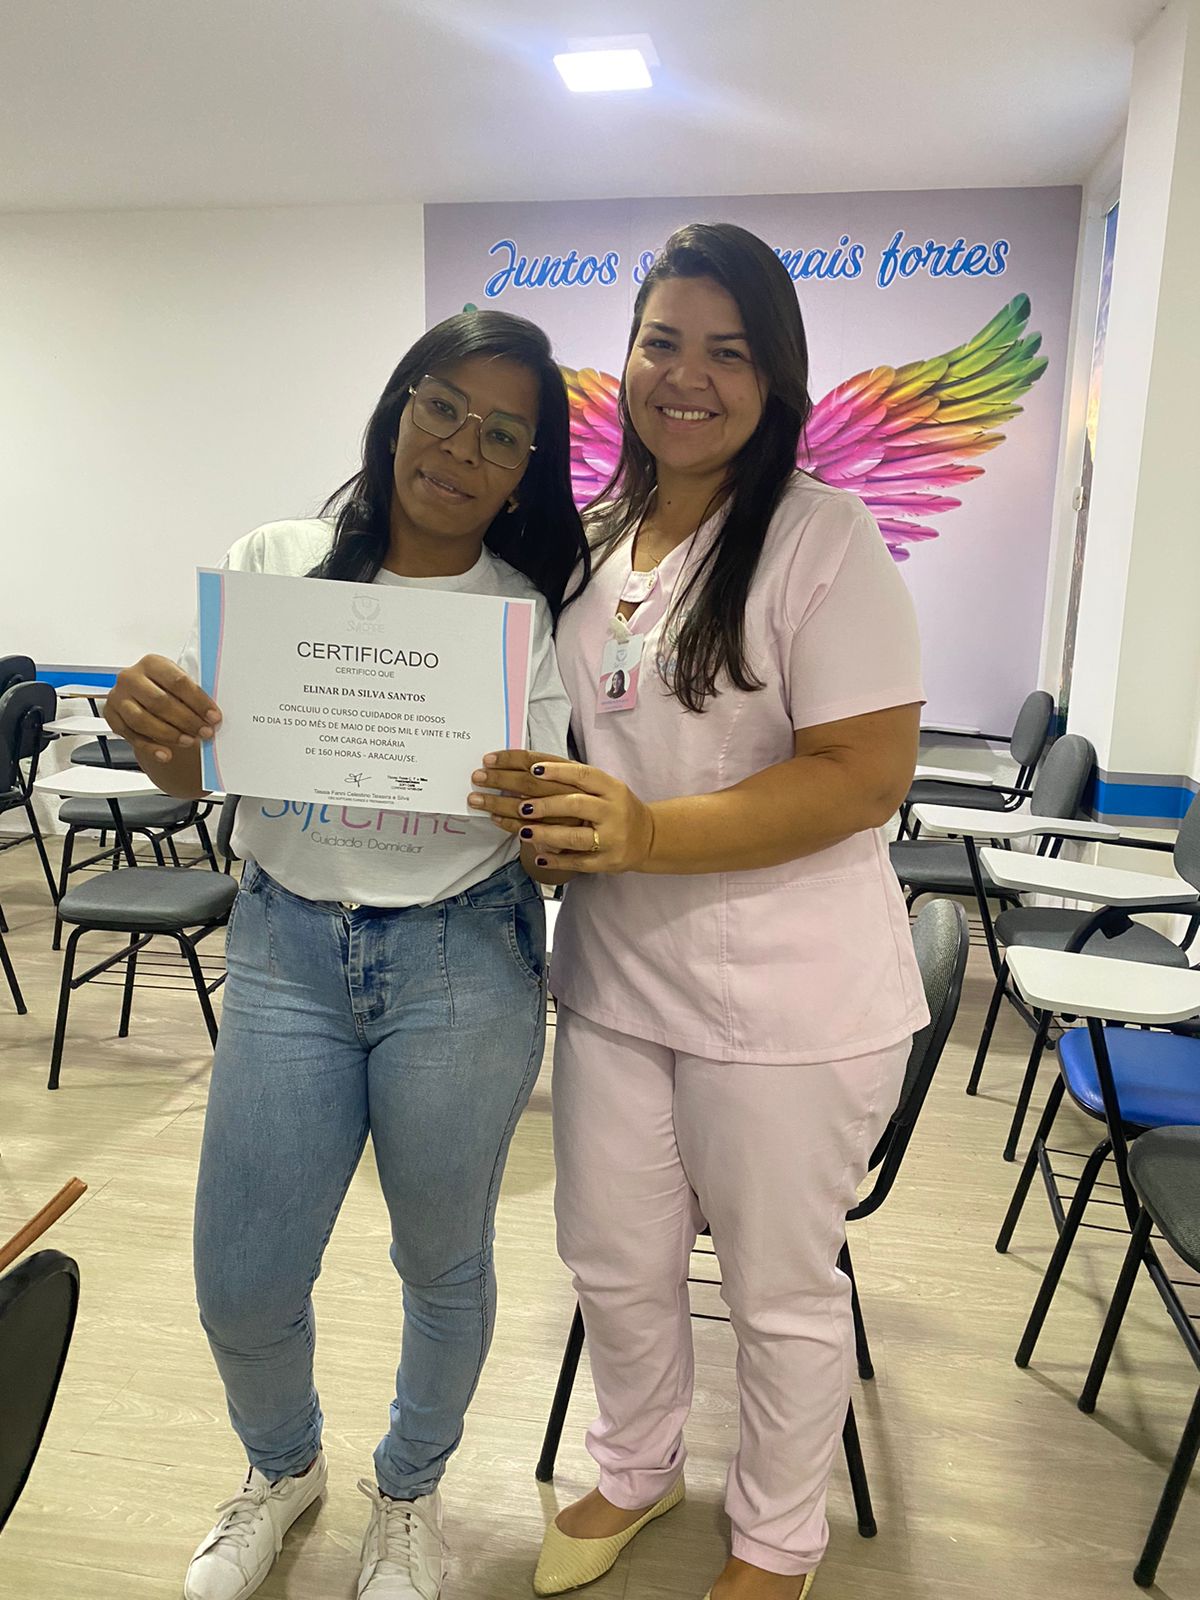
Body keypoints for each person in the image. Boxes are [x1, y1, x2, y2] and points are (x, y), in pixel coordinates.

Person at [469, 224, 928, 1600]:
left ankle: (777, 1540)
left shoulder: (822, 539)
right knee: (613, 1257)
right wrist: (543, 821)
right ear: (625, 359)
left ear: (774, 376)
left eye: (728, 352)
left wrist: (651, 832)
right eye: (663, 342)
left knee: (780, 1290)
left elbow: (864, 775)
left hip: (789, 994)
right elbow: (583, 740)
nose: (688, 376)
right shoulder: (598, 541)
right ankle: (636, 1464)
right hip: (616, 978)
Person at [104, 310, 589, 1600]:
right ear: (396, 411)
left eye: (504, 435)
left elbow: (552, 844)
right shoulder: (278, 563)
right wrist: (157, 734)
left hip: (461, 955)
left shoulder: (524, 613)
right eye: (443, 408)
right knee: (242, 1275)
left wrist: (543, 820)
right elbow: (198, 772)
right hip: (285, 948)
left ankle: (410, 1496)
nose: (463, 448)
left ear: (524, 472)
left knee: (443, 1261)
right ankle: (283, 1469)